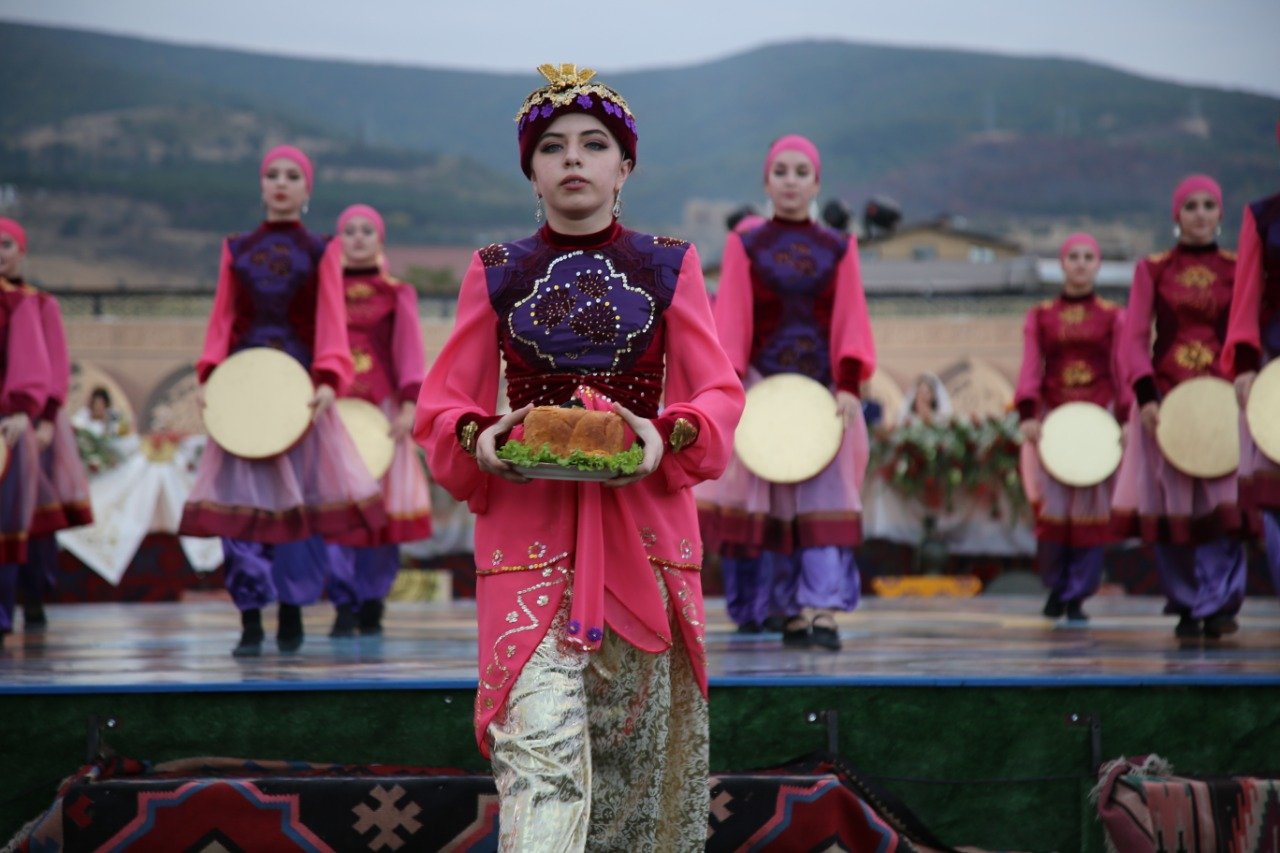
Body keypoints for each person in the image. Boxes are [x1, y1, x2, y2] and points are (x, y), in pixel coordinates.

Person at [414, 64, 743, 850]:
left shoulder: (670, 265)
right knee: (542, 760)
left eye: (594, 145)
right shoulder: (496, 270)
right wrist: (486, 440)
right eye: (553, 146)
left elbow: (719, 397)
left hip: (646, 538)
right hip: (528, 542)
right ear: (531, 169)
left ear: (624, 167)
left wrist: (660, 435)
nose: (573, 159)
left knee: (632, 778)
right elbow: (443, 408)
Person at [178, 146, 385, 656]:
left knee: (294, 503)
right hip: (243, 385)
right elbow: (222, 318)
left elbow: (330, 319)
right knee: (239, 502)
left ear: (307, 188)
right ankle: (250, 615)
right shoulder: (236, 249)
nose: (281, 183)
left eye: (293, 175)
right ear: (261, 184)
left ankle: (291, 611)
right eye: (272, 174)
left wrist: (327, 379)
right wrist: (208, 375)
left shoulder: (322, 250)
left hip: (297, 391)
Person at [702, 134, 876, 652]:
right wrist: (732, 386)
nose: (791, 181)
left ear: (817, 183)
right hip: (763, 389)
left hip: (823, 393)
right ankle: (783, 610)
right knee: (770, 501)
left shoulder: (839, 247)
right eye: (781, 172)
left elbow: (850, 318)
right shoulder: (745, 245)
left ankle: (821, 609)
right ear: (766, 182)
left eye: (802, 172)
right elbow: (732, 317)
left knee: (824, 498)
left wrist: (848, 385)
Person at [1112, 175, 1245, 639]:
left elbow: (1246, 329)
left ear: (1221, 214)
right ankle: (1188, 601)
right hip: (1164, 404)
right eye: (1191, 206)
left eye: (1210, 205)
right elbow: (1132, 339)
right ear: (1176, 215)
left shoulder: (1237, 267)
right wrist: (1145, 396)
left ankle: (1220, 600)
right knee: (1172, 507)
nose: (1201, 214)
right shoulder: (1153, 270)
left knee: (1225, 506)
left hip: (1223, 402)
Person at [325, 204, 431, 637]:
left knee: (381, 510)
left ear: (380, 239)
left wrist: (409, 404)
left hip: (382, 413)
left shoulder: (396, 292)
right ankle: (342, 603)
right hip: (335, 413)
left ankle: (372, 599)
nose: (358, 238)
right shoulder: (323, 292)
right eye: (349, 230)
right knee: (337, 509)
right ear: (338, 239)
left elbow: (409, 350)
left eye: (367, 230)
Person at [1015, 233, 1125, 623]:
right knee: (1053, 508)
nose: (1080, 263)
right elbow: (1031, 365)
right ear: (1062, 264)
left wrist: (1125, 415)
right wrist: (1028, 411)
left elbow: (1121, 368)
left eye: (1088, 257)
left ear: (1097, 265)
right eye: (1073, 257)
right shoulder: (1041, 315)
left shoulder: (1113, 316)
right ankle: (1056, 586)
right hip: (1053, 419)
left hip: (1098, 417)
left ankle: (1077, 593)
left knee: (1091, 511)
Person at [0, 218, 93, 630]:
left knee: (30, 513)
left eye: (5, 245)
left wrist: (46, 418)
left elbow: (53, 364)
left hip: (29, 421)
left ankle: (33, 595)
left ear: (22, 251)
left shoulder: (37, 303)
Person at [1223, 120, 1280, 600]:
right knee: (1275, 496)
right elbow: (1247, 295)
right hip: (1275, 372)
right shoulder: (1262, 216)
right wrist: (1244, 362)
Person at [0, 237, 51, 644]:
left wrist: (30, 410)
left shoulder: (28, 303)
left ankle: (22, 603)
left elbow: (39, 362)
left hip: (12, 424)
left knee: (19, 519)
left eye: (5, 244)